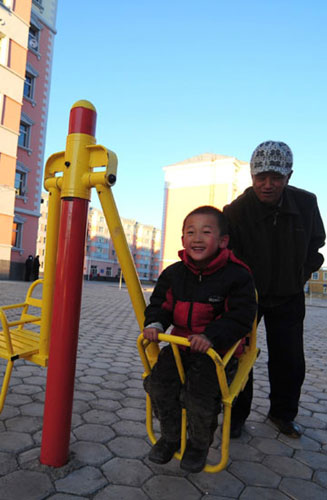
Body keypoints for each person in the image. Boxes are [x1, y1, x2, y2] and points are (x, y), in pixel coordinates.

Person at [223, 140, 326, 439]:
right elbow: (228, 255)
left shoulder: (306, 204)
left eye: (276, 178)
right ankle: (236, 416)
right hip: (246, 299)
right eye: (261, 178)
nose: (268, 185)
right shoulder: (236, 211)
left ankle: (282, 414)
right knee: (240, 356)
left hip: (289, 297)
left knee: (290, 359)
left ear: (289, 176)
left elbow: (316, 244)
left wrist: (300, 274)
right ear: (252, 176)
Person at [142, 206, 257, 473]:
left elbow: (241, 316)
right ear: (182, 239)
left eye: (206, 232)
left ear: (223, 241)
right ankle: (171, 436)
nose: (197, 238)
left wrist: (211, 336)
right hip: (181, 344)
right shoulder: (174, 274)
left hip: (217, 350)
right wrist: (155, 323)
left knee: (199, 395)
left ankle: (198, 444)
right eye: (190, 232)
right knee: (158, 386)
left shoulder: (237, 275)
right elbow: (160, 304)